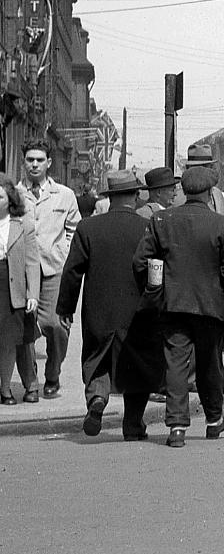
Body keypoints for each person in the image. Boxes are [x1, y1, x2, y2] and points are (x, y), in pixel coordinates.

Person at [133, 165, 224, 448]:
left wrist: (156, 289)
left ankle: (177, 427)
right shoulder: (221, 225)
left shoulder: (161, 220)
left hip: (173, 305)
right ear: (209, 193)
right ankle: (214, 419)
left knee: (175, 364)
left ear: (183, 191)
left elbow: (140, 262)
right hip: (211, 307)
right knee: (210, 364)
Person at [55, 170, 165, 440]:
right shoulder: (148, 228)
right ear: (136, 195)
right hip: (138, 311)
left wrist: (65, 309)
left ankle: (97, 399)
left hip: (98, 310)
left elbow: (72, 272)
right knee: (137, 366)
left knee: (97, 357)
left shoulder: (88, 228)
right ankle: (132, 424)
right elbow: (157, 271)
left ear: (110, 197)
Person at [18, 138, 81, 400]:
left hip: (53, 269)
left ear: (49, 163)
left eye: (40, 160)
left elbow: (74, 229)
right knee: (22, 329)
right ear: (24, 162)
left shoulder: (64, 195)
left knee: (55, 325)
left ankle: (52, 374)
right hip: (19, 271)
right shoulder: (13, 193)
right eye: (30, 160)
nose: (34, 164)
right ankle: (31, 383)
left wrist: (63, 253)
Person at [0, 175, 39, 405]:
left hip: (11, 287)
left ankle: (5, 389)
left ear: (10, 199)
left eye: (0, 196)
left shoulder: (23, 225)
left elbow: (32, 262)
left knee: (9, 342)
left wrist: (32, 294)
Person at [175, 144, 224, 215]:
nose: (201, 172)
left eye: (206, 167)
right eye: (197, 167)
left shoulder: (217, 194)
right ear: (189, 168)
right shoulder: (177, 195)